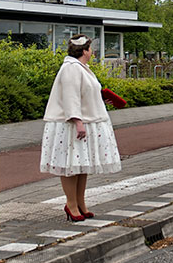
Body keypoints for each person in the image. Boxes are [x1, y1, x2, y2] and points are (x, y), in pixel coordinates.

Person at [40, 34, 121, 222]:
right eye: (90, 49)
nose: (92, 52)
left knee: (81, 165)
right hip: (70, 125)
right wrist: (77, 121)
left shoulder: (82, 68)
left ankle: (80, 203)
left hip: (83, 121)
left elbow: (83, 93)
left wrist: (99, 98)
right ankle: (71, 204)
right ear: (84, 51)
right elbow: (70, 96)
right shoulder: (70, 68)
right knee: (70, 165)